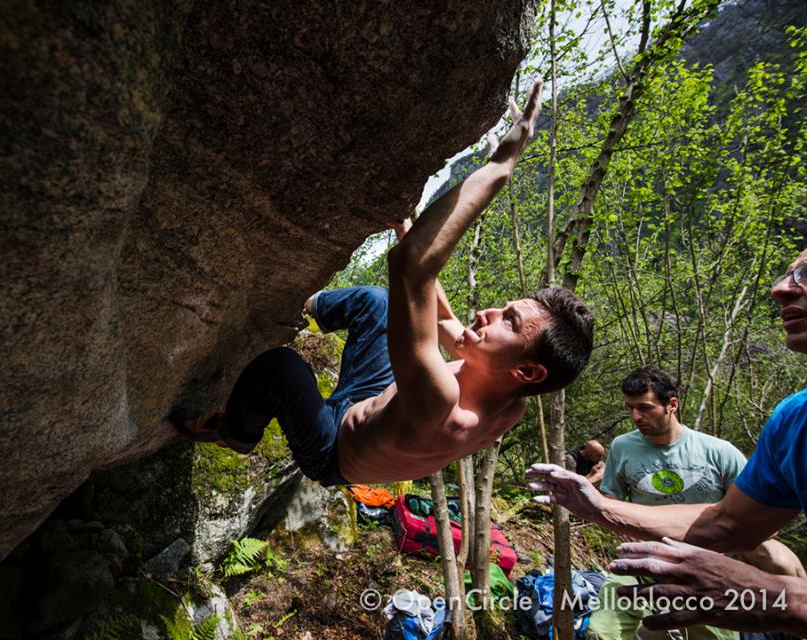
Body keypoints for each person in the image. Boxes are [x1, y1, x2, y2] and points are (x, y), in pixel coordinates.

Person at [171, 81, 595, 486]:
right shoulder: (511, 398)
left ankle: (237, 433)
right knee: (377, 303)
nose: (488, 312)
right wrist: (406, 226)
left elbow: (412, 268)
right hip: (371, 399)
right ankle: (303, 305)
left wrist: (499, 167)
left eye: (509, 320)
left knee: (281, 369)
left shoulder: (443, 407)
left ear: (526, 369)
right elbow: (439, 315)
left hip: (332, 449)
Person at [527, 247, 807, 636]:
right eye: (787, 274)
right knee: (607, 630)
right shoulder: (793, 421)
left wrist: (777, 595)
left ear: (672, 405)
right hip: (646, 564)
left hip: (711, 573)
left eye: (804, 274)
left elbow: (755, 535)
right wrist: (598, 507)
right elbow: (728, 521)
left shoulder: (718, 452)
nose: (780, 289)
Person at [589, 366, 758, 640]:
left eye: (645, 407)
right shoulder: (622, 447)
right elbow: (611, 498)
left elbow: (753, 510)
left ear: (672, 405)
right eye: (630, 408)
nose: (635, 416)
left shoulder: (719, 452)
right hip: (639, 561)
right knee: (601, 632)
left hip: (707, 568)